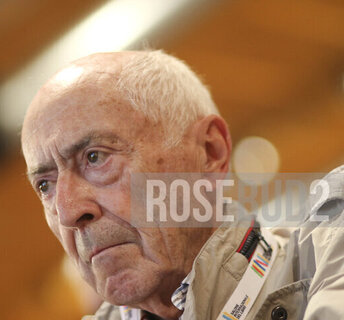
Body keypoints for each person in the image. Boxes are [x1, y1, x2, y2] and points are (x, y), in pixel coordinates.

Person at [20, 50, 344, 320]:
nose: (67, 212)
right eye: (45, 185)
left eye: (94, 157)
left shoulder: (328, 259)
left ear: (210, 151)